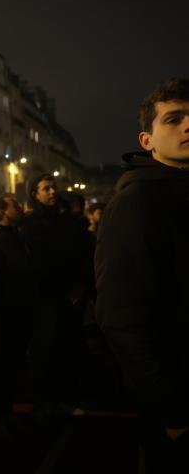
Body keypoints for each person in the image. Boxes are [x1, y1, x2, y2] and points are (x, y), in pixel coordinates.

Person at [95, 78, 189, 471]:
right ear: (147, 140)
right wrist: (173, 413)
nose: (188, 126)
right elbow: (121, 318)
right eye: (174, 119)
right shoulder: (137, 203)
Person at [20, 173, 87, 418]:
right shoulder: (30, 224)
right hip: (42, 296)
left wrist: (78, 285)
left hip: (66, 295)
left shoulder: (65, 221)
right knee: (43, 349)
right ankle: (43, 401)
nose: (52, 192)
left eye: (53, 188)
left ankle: (63, 397)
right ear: (35, 194)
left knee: (64, 347)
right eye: (46, 188)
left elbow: (77, 255)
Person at [0, 195, 33, 429]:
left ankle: (5, 411)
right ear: (3, 212)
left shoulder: (15, 235)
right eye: (14, 205)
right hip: (4, 309)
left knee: (11, 362)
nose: (20, 207)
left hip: (17, 306)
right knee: (1, 362)